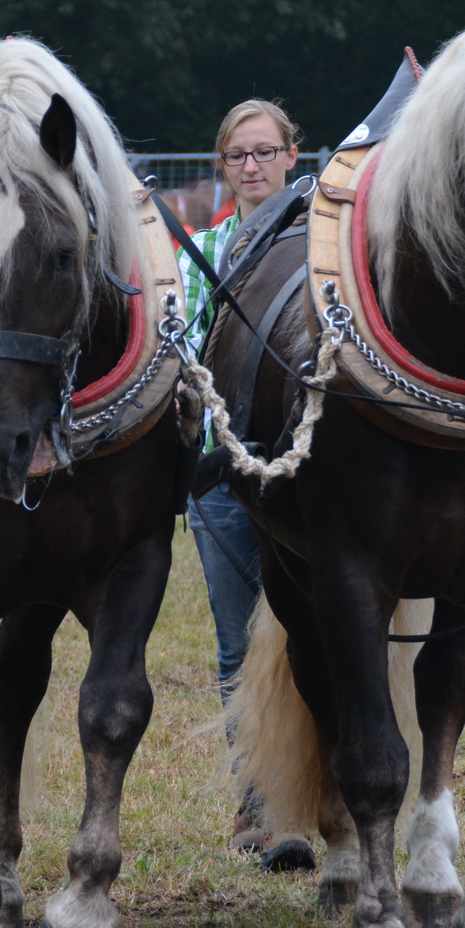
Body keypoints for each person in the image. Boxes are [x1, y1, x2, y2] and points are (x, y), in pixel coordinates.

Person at [175, 99, 313, 864]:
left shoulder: (318, 246)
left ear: (292, 156)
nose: (252, 166)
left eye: (265, 152)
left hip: (301, 472)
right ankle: (258, 805)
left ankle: (312, 800)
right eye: (238, 155)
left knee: (311, 633)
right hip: (220, 475)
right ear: (223, 165)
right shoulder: (202, 251)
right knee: (237, 645)